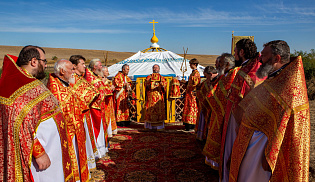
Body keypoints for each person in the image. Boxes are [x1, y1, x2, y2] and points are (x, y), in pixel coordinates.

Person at [228, 40, 310, 182]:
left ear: (276, 58)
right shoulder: (277, 77)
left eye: (264, 55)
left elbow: (284, 125)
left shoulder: (290, 85)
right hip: (252, 141)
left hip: (263, 150)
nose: (260, 58)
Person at [0, 46, 73, 182]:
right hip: (40, 157)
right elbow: (19, 124)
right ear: (34, 61)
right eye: (44, 61)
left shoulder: (25, 81)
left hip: (51, 150)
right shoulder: (21, 87)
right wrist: (39, 152)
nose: (46, 65)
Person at [220, 39, 265, 181]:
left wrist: (239, 125)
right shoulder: (252, 67)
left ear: (241, 52)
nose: (234, 55)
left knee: (234, 149)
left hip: (239, 118)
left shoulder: (249, 71)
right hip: (239, 115)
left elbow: (243, 99)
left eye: (235, 52)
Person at [47, 59, 89, 182]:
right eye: (71, 69)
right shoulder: (55, 89)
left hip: (75, 128)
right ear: (62, 71)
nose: (73, 72)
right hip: (67, 131)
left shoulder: (65, 84)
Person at [202, 53, 239, 170]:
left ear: (227, 64)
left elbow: (224, 94)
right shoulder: (225, 76)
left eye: (220, 63)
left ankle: (217, 163)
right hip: (217, 111)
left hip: (223, 112)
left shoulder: (233, 75)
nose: (217, 66)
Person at [69, 55, 99, 171]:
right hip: (78, 115)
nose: (84, 66)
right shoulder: (72, 78)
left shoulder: (80, 78)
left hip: (85, 112)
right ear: (74, 66)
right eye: (82, 64)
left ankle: (88, 163)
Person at [84, 58, 111, 158]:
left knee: (102, 128)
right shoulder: (90, 78)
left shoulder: (96, 76)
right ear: (95, 67)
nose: (102, 67)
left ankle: (102, 149)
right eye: (100, 65)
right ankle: (97, 152)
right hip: (94, 108)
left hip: (101, 106)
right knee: (96, 128)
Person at [195, 66, 218, 141]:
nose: (206, 78)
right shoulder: (206, 82)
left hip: (214, 107)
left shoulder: (219, 80)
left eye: (206, 76)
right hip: (205, 106)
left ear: (211, 74)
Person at [144, 64, 168, 130]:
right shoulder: (149, 77)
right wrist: (149, 82)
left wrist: (162, 85)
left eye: (156, 68)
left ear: (159, 69)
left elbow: (165, 86)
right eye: (154, 68)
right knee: (150, 111)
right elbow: (146, 86)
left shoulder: (162, 77)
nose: (155, 69)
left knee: (159, 111)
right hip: (151, 97)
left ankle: (159, 127)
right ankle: (149, 127)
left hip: (159, 98)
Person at [182, 58, 201, 131]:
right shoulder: (193, 73)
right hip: (189, 94)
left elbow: (195, 84)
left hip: (192, 94)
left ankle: (191, 124)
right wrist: (186, 83)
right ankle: (187, 124)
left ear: (195, 64)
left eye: (191, 64)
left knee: (191, 108)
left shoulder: (196, 73)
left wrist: (189, 84)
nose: (190, 66)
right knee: (188, 108)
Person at [102, 66, 118, 136]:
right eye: (106, 71)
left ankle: (111, 129)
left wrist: (112, 88)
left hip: (110, 101)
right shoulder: (100, 80)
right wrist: (110, 88)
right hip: (104, 102)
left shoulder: (108, 81)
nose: (108, 72)